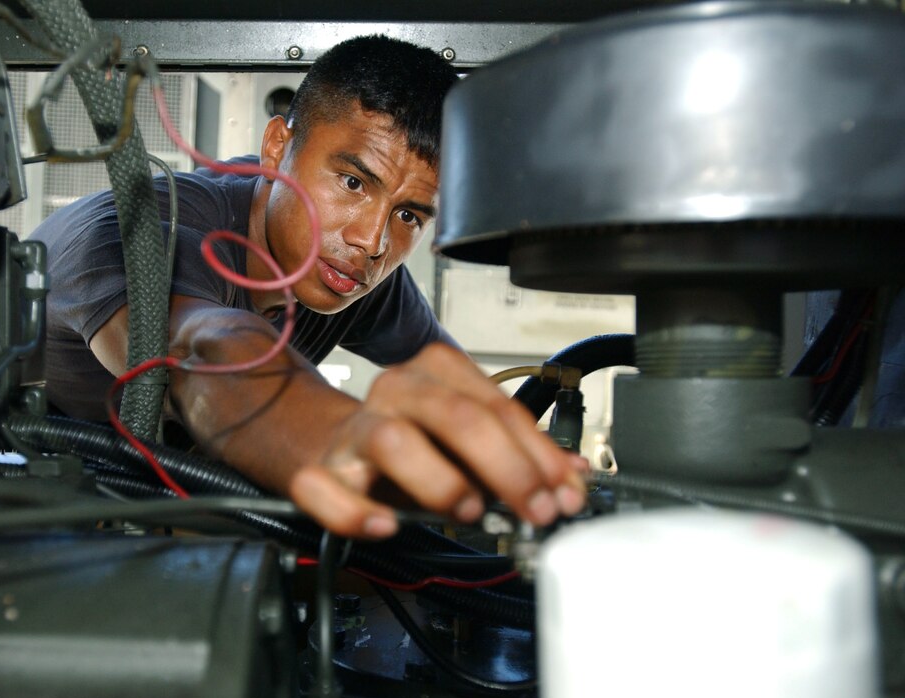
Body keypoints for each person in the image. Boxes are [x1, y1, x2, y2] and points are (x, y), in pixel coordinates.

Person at [33, 35, 587, 539]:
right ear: (277, 146)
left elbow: (450, 382)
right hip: (22, 485)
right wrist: (332, 431)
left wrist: (525, 468)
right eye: (352, 182)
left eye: (409, 216)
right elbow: (198, 349)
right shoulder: (131, 232)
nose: (372, 240)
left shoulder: (354, 273)